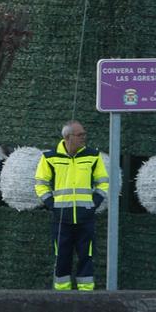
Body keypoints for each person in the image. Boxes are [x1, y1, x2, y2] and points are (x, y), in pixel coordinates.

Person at [34, 119, 109, 292]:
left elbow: (103, 183)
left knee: (86, 257)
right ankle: (62, 296)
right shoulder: (49, 158)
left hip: (86, 218)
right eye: (80, 134)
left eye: (84, 133)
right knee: (61, 257)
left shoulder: (93, 156)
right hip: (61, 219)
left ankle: (86, 295)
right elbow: (40, 183)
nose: (84, 137)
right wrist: (52, 204)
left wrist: (94, 204)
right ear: (68, 137)